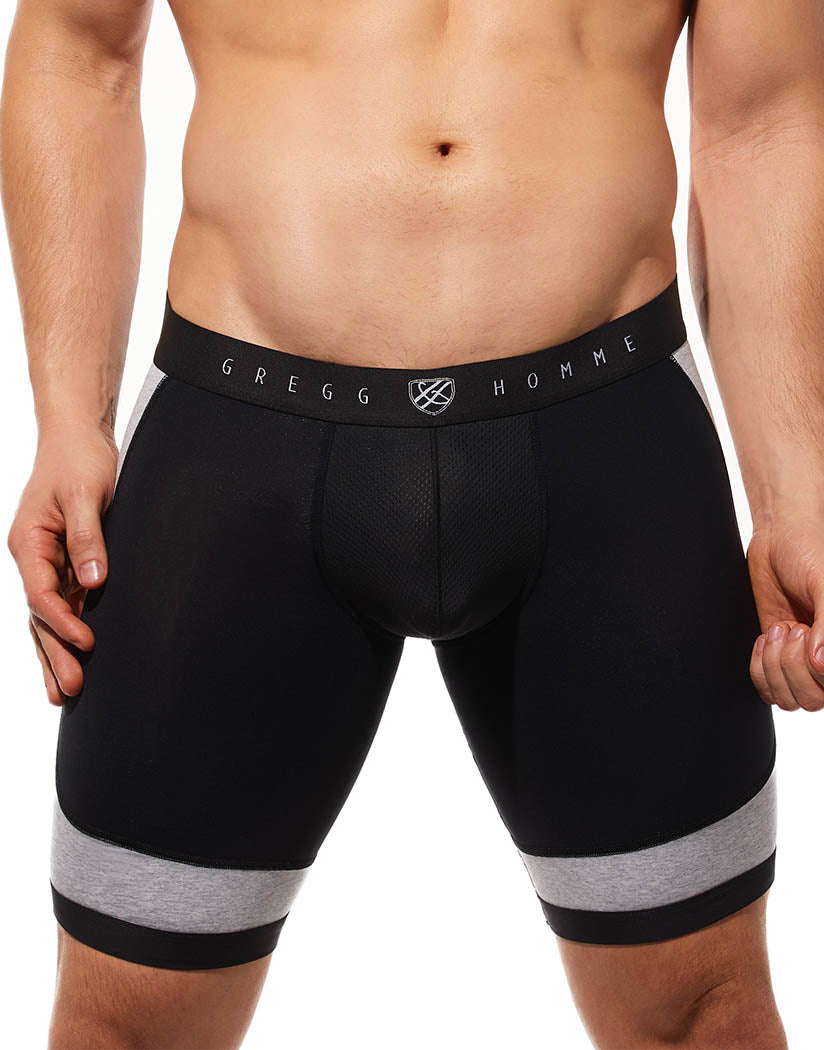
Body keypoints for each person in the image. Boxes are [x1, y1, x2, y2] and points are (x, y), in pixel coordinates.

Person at [2, 0, 823, 1047]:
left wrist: (794, 493)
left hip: (607, 435)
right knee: (123, 1029)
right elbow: (82, 51)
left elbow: (761, 121)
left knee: (704, 1018)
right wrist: (68, 419)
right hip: (238, 436)